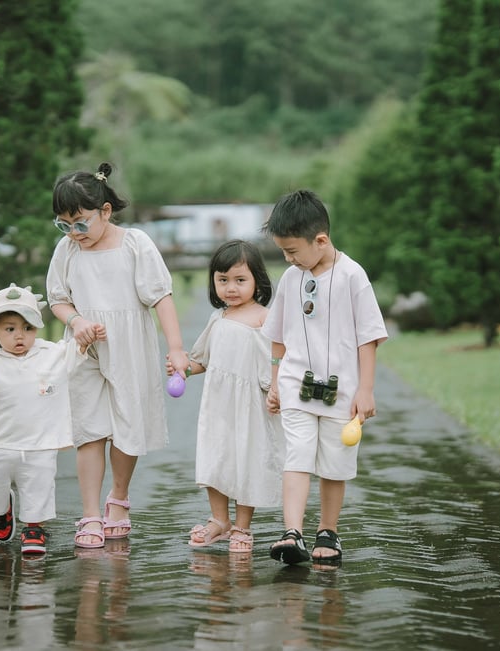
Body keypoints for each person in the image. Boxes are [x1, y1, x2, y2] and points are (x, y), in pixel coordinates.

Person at [46, 162, 189, 549]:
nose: (74, 233)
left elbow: (160, 296)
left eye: (80, 223)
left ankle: (119, 498)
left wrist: (175, 348)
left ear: (105, 212)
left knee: (128, 424)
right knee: (89, 429)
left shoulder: (134, 244)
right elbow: (58, 299)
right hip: (85, 348)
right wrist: (76, 321)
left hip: (129, 347)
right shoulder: (67, 250)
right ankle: (90, 512)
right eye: (64, 225)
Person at [261, 190, 388, 566]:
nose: (288, 258)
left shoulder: (353, 276)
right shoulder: (290, 278)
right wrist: (274, 381)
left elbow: (369, 337)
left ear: (321, 240)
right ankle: (292, 533)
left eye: (293, 251)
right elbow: (278, 337)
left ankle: (327, 531)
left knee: (335, 462)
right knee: (297, 455)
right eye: (283, 252)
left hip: (342, 393)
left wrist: (365, 390)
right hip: (296, 386)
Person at [0, 283, 102, 555]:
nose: (20, 336)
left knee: (38, 484)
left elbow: (75, 351)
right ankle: (0, 509)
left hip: (39, 443)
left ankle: (34, 527)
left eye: (28, 328)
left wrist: (87, 336)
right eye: (10, 329)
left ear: (37, 328)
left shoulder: (50, 354)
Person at [167, 240, 284, 553]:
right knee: (216, 458)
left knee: (247, 459)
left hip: (251, 407)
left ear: (258, 281)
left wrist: (276, 388)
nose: (231, 288)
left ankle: (243, 526)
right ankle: (220, 520)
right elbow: (202, 359)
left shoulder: (265, 319)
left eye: (240, 280)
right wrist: (183, 369)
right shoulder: (217, 318)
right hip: (217, 406)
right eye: (223, 280)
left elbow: (277, 361)